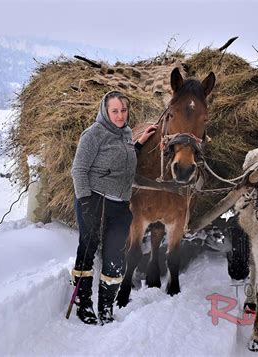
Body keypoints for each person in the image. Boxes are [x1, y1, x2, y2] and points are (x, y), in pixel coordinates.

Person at [70, 90, 157, 325]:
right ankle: (83, 303)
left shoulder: (126, 133)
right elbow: (78, 170)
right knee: (87, 250)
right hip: (94, 201)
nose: (120, 116)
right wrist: (86, 201)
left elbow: (125, 159)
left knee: (115, 257)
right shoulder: (94, 134)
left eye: (123, 110)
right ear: (105, 111)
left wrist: (138, 144)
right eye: (115, 111)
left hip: (119, 205)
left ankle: (106, 307)